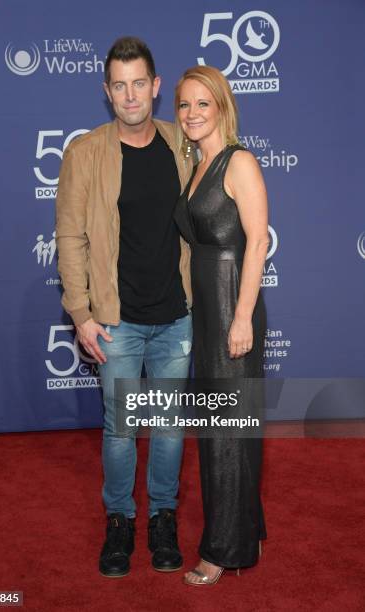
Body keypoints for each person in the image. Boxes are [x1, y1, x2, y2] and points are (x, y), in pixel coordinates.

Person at [55, 37, 193, 578]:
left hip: (176, 316)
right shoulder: (84, 153)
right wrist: (81, 313)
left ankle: (162, 516)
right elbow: (70, 238)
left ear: (156, 88)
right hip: (116, 321)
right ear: (107, 92)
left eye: (140, 83)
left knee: (167, 425)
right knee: (119, 428)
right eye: (119, 85)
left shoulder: (185, 144)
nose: (130, 95)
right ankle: (120, 520)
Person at [173, 65, 269, 585]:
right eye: (184, 105)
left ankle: (223, 550)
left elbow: (256, 242)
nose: (192, 114)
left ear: (222, 107)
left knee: (227, 433)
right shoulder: (196, 164)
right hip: (208, 310)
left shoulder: (240, 161)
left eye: (202, 104)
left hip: (235, 308)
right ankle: (243, 526)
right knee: (218, 429)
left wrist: (242, 317)